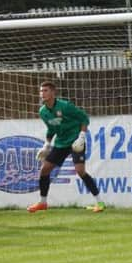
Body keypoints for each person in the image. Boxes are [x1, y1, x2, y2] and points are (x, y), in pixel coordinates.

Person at [27, 81, 106, 213]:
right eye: (41, 91)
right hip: (60, 143)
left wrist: (81, 136)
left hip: (75, 141)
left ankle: (100, 202)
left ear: (53, 92)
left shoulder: (65, 106)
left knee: (80, 171)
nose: (42, 93)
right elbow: (51, 129)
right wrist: (47, 144)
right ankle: (43, 202)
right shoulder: (43, 112)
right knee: (44, 170)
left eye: (46, 90)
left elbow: (84, 118)